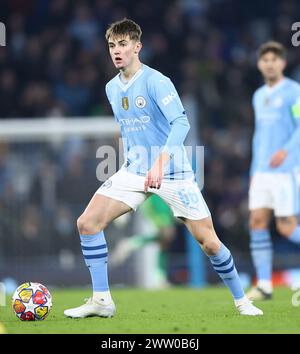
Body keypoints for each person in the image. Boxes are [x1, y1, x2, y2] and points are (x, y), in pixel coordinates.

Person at [64, 18, 262, 318]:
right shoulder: (111, 88)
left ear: (137, 46)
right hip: (134, 171)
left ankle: (242, 301)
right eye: (112, 46)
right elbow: (130, 130)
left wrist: (160, 162)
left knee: (208, 242)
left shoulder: (157, 81)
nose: (117, 51)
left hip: (173, 173)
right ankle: (102, 301)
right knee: (87, 223)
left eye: (123, 44)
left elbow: (181, 123)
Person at [247, 41, 300, 300]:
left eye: (274, 59)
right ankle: (264, 284)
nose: (269, 63)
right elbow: (259, 136)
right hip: (262, 172)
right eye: (265, 59)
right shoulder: (258, 95)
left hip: (286, 171)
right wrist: (254, 170)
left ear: (282, 62)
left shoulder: (293, 91)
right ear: (259, 64)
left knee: (287, 228)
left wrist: (286, 151)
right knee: (257, 222)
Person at [110, 194, 175, 289]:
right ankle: (130, 244)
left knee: (164, 241)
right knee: (166, 235)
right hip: (156, 199)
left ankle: (160, 279)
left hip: (162, 198)